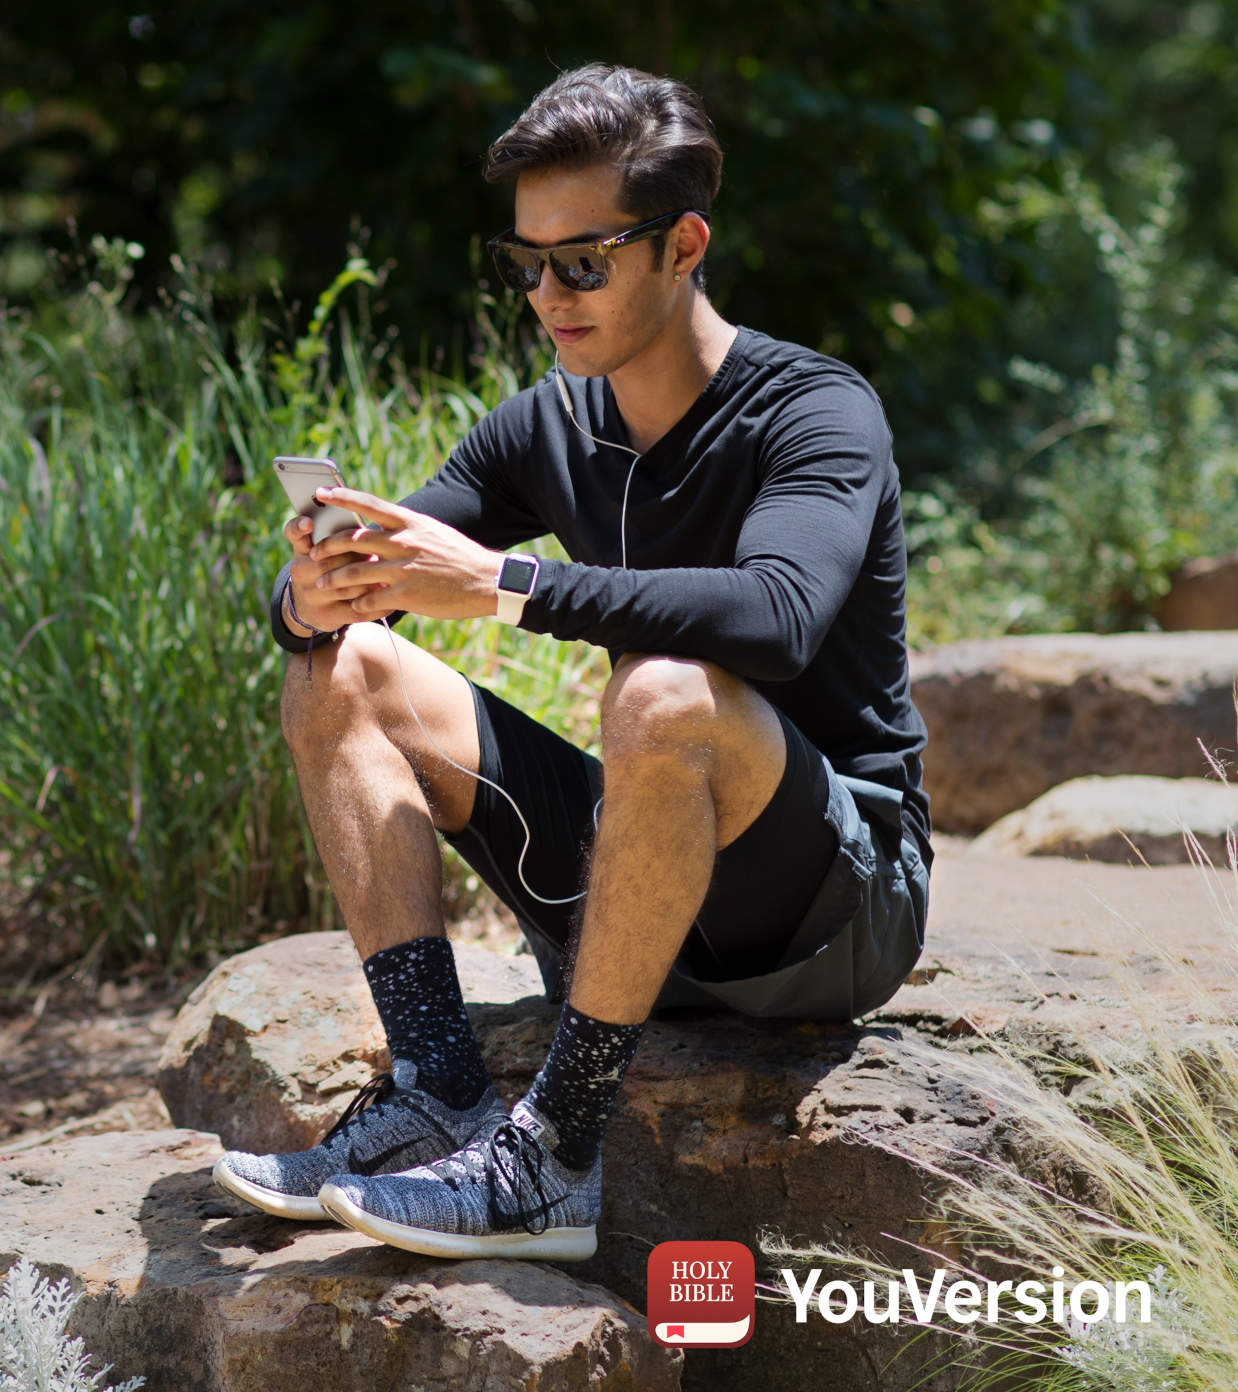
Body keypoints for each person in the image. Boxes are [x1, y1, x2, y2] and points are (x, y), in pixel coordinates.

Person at [213, 62, 932, 1262]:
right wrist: (313, 589)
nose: (548, 293)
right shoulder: (546, 424)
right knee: (342, 667)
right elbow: (348, 601)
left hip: (826, 908)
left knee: (658, 691)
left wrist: (504, 585)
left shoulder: (814, 410)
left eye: (582, 261)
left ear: (682, 242)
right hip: (639, 876)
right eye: (526, 263)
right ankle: (436, 1093)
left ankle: (553, 1158)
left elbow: (777, 615)